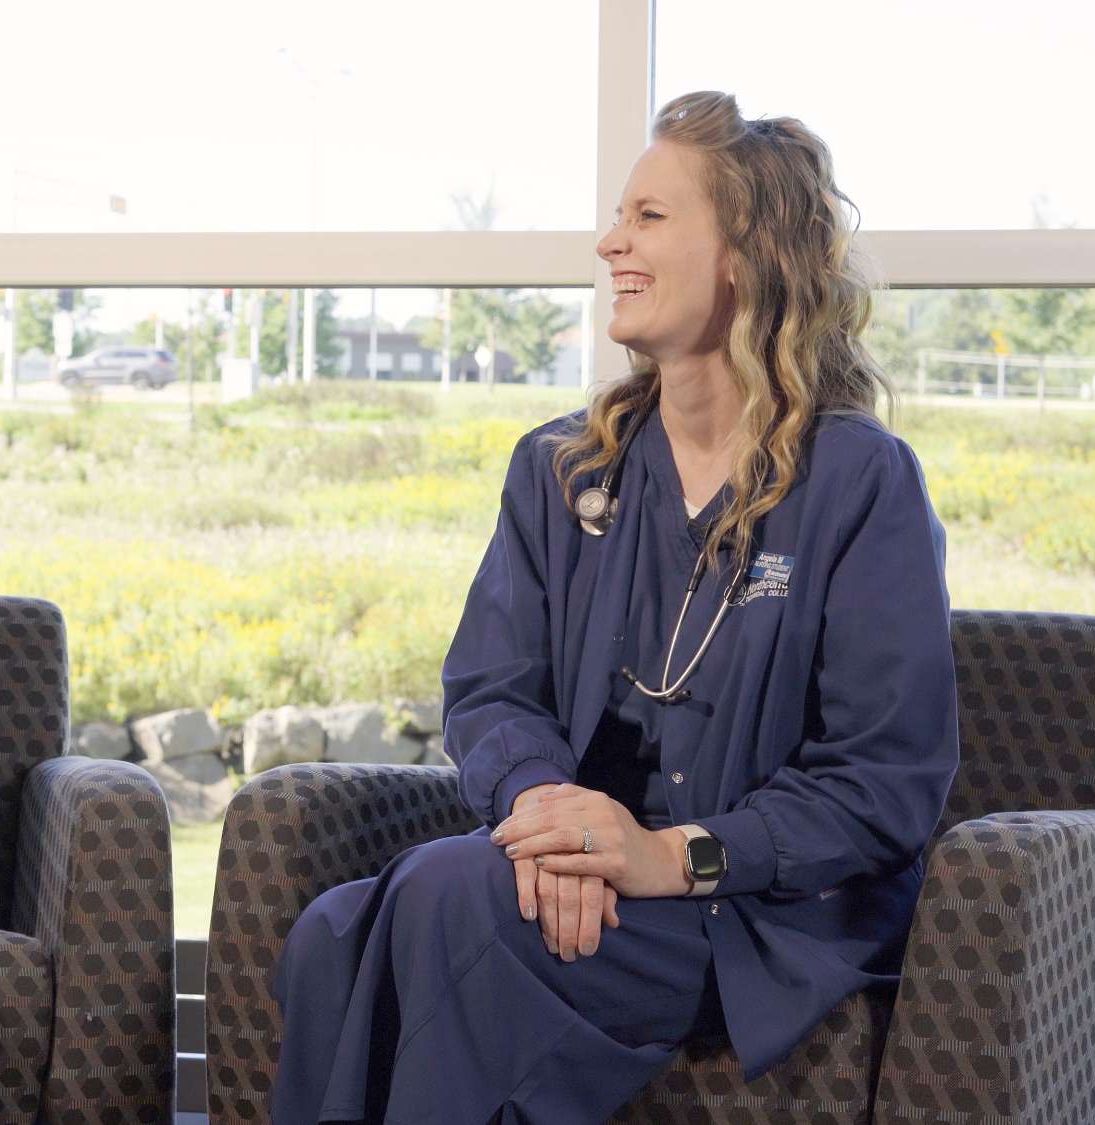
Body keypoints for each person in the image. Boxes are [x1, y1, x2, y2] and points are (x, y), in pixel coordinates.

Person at [269, 91, 960, 1124]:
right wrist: (553, 820)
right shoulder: (561, 467)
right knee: (343, 927)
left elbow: (880, 783)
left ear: (746, 254)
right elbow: (489, 691)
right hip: (576, 874)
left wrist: (661, 856)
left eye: (646, 217)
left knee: (436, 902)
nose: (607, 244)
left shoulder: (859, 482)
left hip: (753, 915)